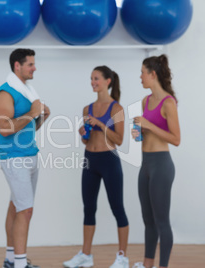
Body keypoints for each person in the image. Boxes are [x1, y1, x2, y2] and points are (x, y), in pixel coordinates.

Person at [63, 66, 129, 268]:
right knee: (89, 208)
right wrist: (83, 132)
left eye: (97, 78)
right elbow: (86, 140)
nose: (93, 82)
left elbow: (118, 139)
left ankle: (122, 257)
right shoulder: (87, 109)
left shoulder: (116, 109)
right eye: (91, 78)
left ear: (108, 81)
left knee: (117, 208)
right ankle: (86, 254)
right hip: (90, 159)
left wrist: (100, 124)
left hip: (109, 160)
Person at [0, 48, 50, 268]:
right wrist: (33, 113)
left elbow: (29, 128)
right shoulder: (4, 93)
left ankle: (10, 258)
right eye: (30, 64)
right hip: (14, 158)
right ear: (17, 65)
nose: (34, 68)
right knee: (25, 210)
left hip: (30, 154)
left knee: (17, 207)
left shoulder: (26, 92)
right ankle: (20, 263)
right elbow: (5, 128)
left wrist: (41, 117)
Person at [131, 55, 180, 268]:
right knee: (148, 221)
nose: (140, 76)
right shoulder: (145, 101)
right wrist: (139, 132)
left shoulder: (169, 102)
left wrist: (149, 126)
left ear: (153, 74)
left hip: (161, 165)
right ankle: (147, 264)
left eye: (142, 72)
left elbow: (176, 139)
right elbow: (148, 132)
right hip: (146, 164)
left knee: (161, 222)